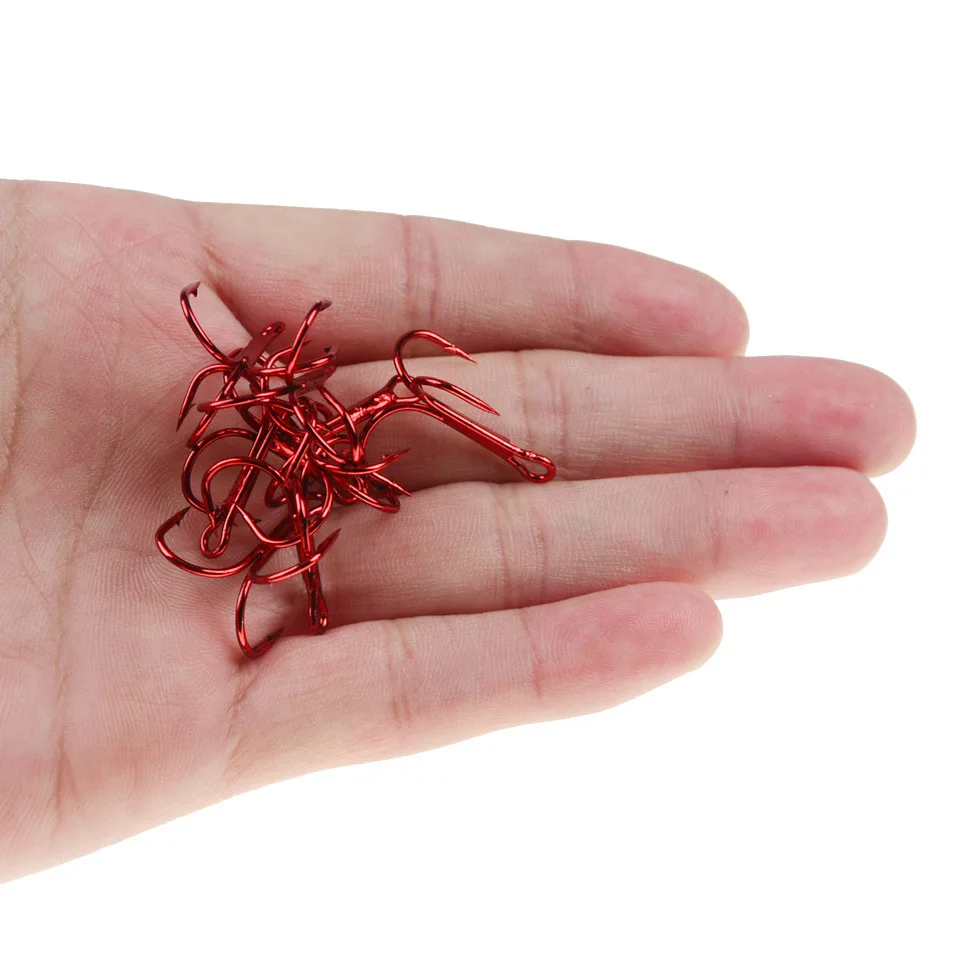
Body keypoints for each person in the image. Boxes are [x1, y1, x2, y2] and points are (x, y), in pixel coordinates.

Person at [0, 180, 916, 881]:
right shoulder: (263, 460)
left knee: (415, 390)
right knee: (414, 390)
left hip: (325, 450)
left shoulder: (305, 429)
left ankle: (483, 447)